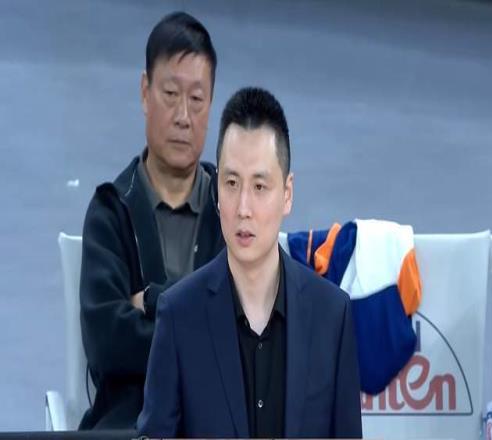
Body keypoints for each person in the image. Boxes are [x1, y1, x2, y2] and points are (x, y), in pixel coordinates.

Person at [137, 87, 362, 438]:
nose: (243, 208)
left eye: (259, 187)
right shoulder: (179, 316)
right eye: (231, 183)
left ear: (287, 194)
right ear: (216, 191)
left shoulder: (332, 316)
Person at [79, 12, 224, 429]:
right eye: (171, 94)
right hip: (128, 425)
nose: (183, 116)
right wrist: (200, 334)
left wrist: (151, 301)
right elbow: (107, 343)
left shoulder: (232, 207)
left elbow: (249, 325)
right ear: (145, 92)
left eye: (196, 99)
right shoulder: (111, 211)